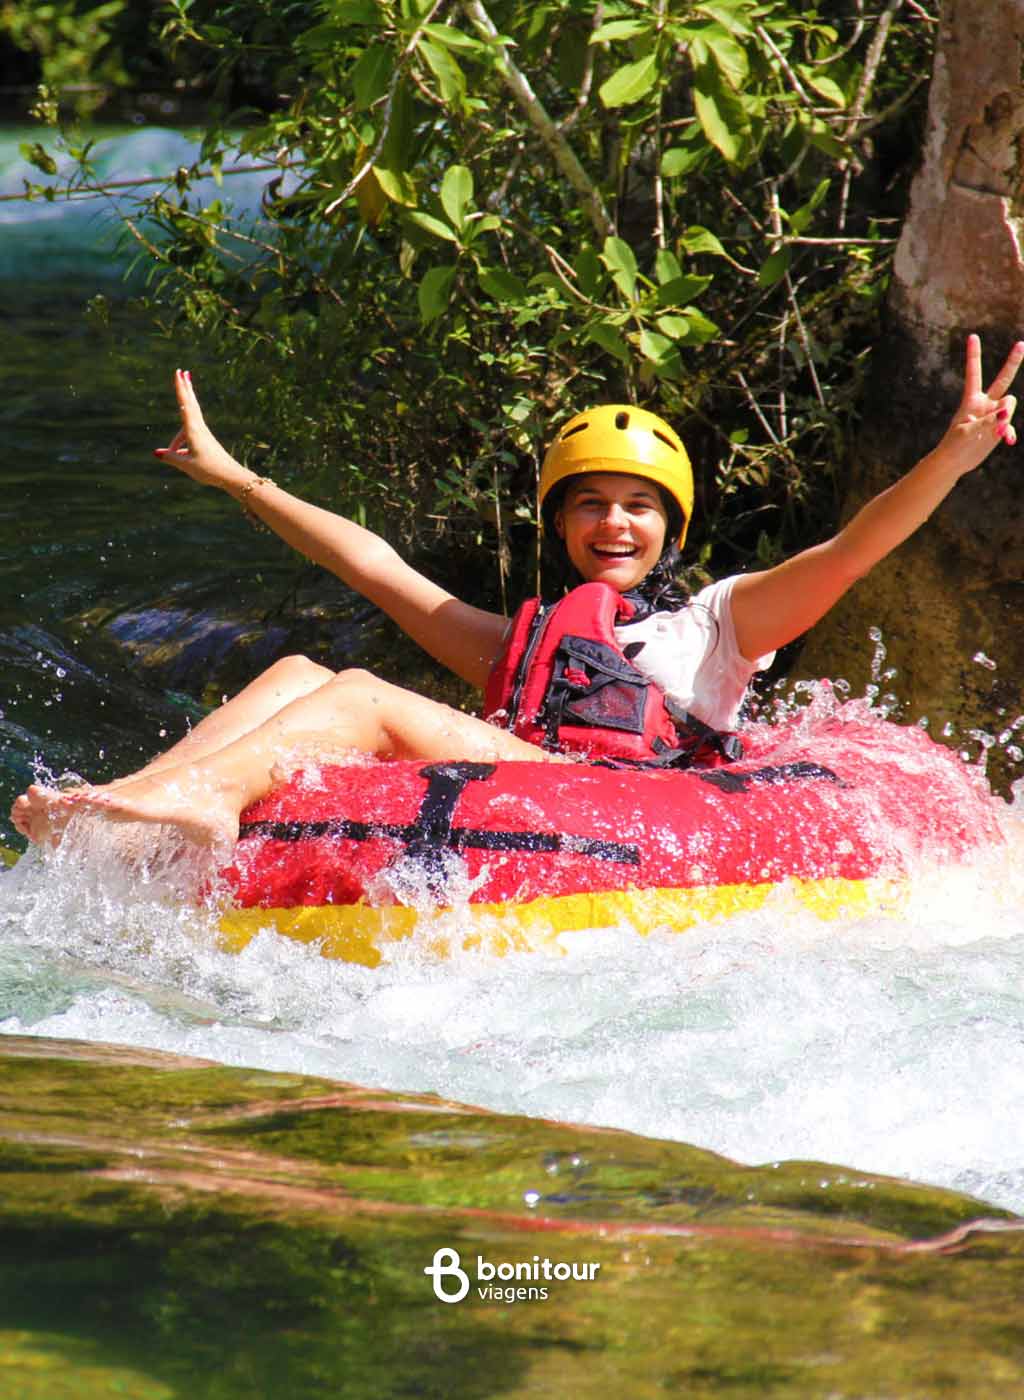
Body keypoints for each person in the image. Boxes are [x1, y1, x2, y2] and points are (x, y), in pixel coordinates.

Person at [12, 335, 1021, 851]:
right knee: (296, 666)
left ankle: (201, 800)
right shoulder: (524, 640)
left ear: (668, 525)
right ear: (560, 522)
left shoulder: (722, 620)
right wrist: (241, 479)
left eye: (636, 506)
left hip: (631, 806)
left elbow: (852, 549)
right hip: (537, 779)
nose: (613, 524)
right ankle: (133, 808)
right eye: (589, 505)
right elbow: (371, 566)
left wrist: (949, 455)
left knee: (360, 690)